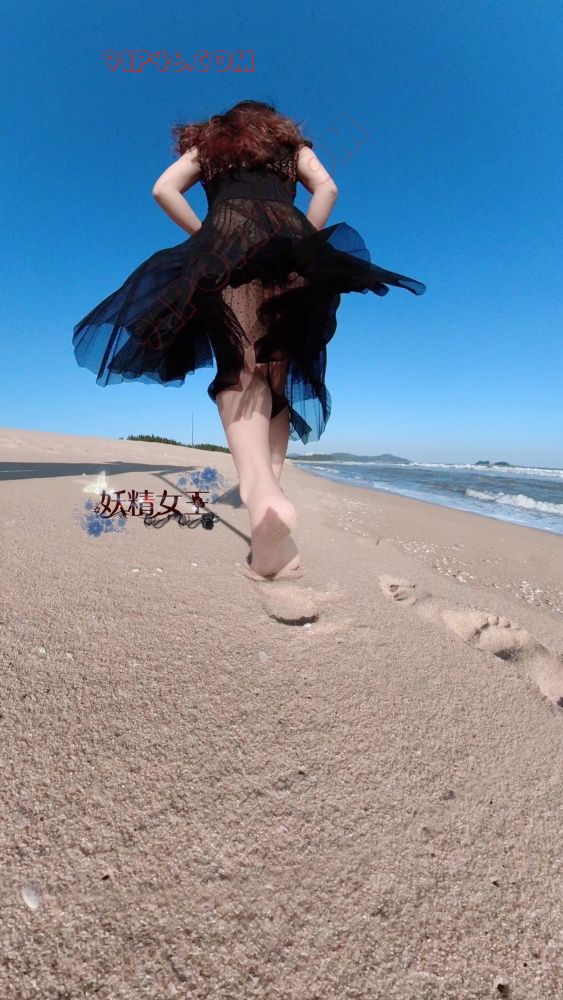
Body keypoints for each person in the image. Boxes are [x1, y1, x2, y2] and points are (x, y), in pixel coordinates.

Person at [72, 99, 426, 582]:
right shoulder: (292, 148)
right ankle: (268, 540)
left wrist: (206, 236)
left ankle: (262, 497)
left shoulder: (209, 146)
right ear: (275, 123)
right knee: (277, 371)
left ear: (224, 123)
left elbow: (163, 189)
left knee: (240, 368)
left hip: (224, 248)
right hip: (291, 249)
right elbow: (327, 187)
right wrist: (302, 243)